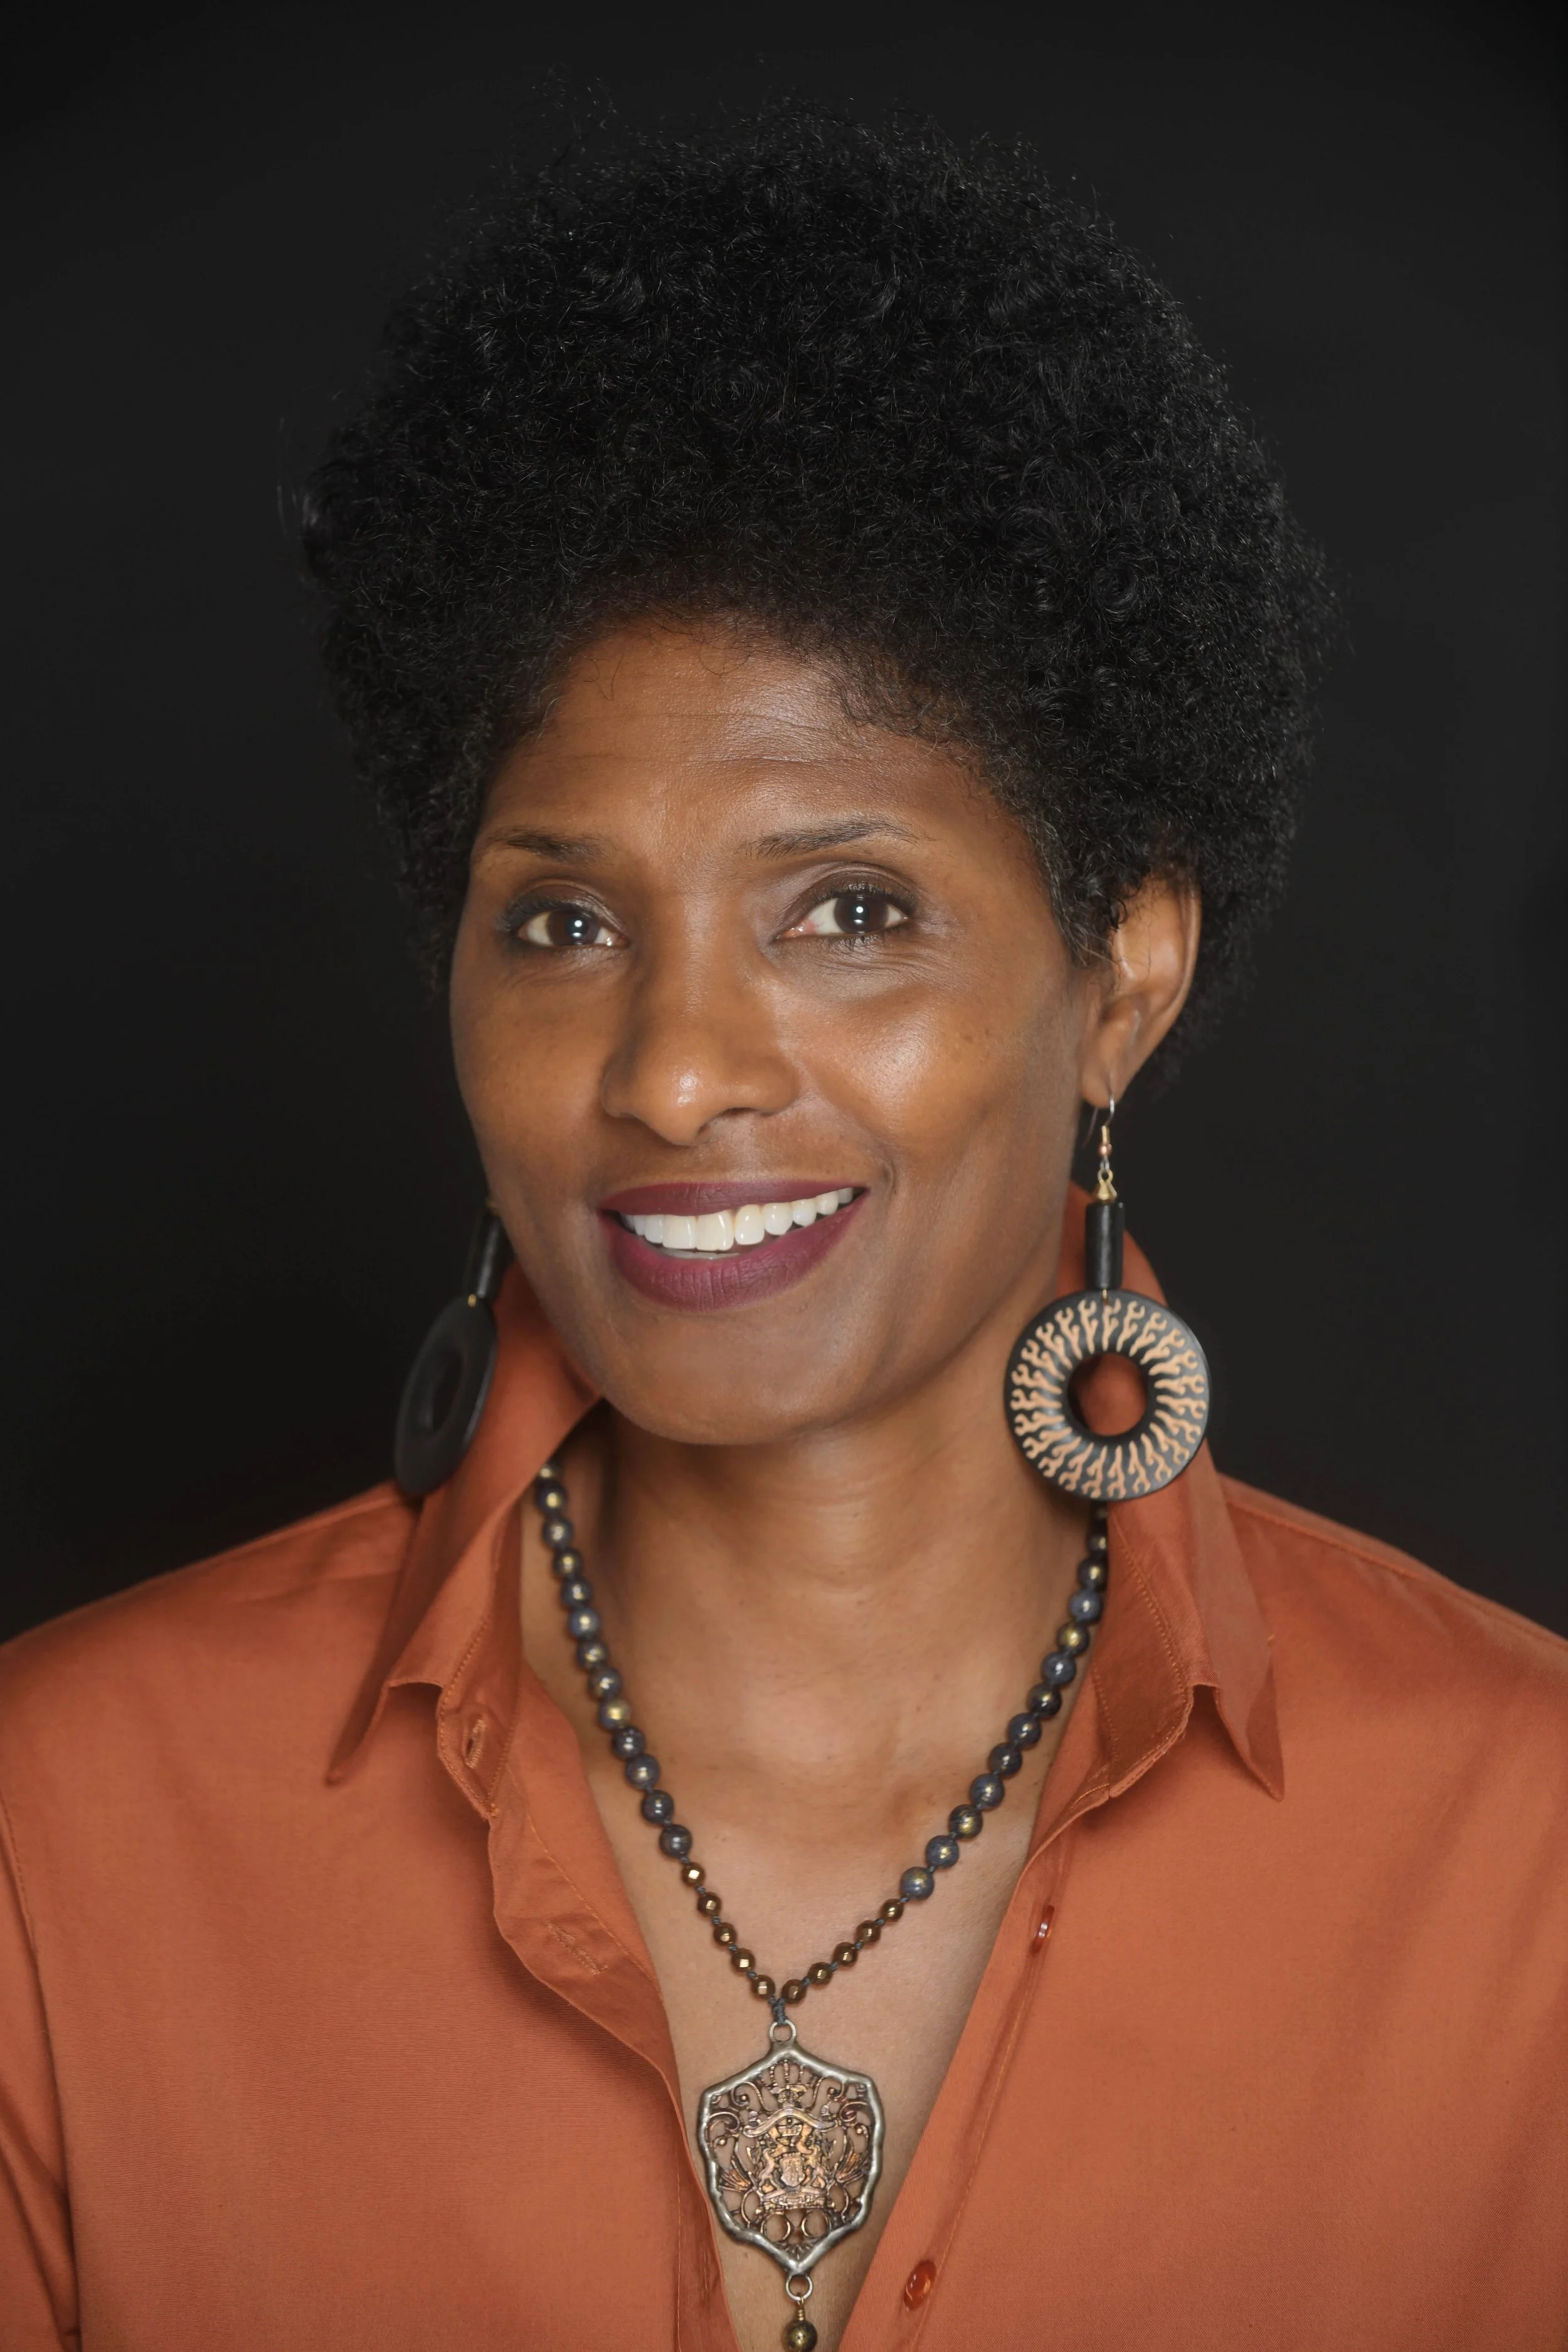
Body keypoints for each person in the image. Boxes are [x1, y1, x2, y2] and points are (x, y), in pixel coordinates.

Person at [1, 105, 1563, 2352]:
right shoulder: (65, 1837)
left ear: (1118, 971)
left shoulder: (1525, 1860)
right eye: (560, 919)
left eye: (846, 910)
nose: (667, 1068)